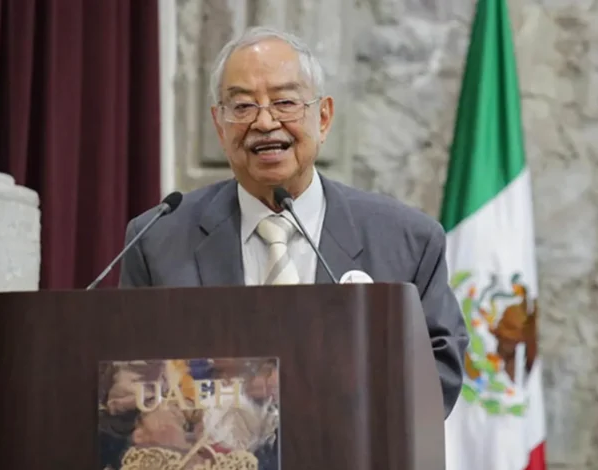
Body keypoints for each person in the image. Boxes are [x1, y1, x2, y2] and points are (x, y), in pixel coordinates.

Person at [118, 26, 469, 420]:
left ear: (324, 117)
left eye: (284, 102)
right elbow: (130, 375)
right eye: (243, 106)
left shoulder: (407, 241)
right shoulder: (157, 241)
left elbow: (438, 370)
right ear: (219, 125)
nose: (265, 122)